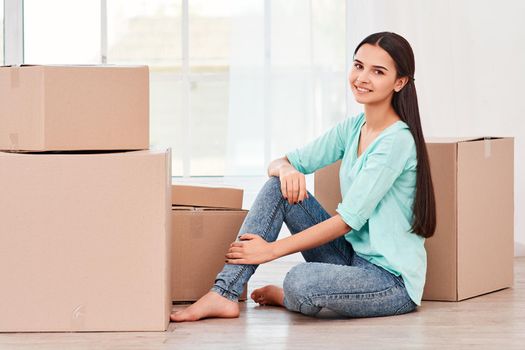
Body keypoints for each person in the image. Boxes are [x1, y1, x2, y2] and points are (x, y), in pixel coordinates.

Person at [171, 31, 436, 322]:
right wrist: (287, 169)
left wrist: (270, 251)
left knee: (300, 280)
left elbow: (347, 220)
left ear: (399, 82)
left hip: (389, 282)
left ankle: (290, 297)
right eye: (358, 66)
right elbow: (281, 162)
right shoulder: (353, 128)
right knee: (278, 186)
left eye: (378, 71)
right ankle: (224, 293)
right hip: (351, 257)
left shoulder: (396, 142)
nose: (362, 78)